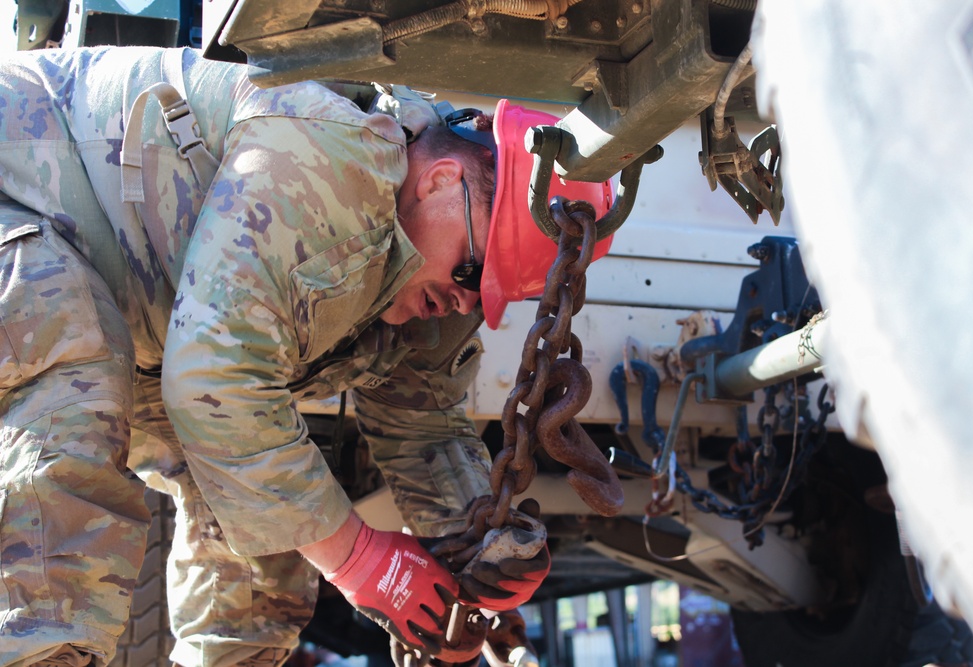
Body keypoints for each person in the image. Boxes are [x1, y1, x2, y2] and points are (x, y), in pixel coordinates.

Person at [0, 45, 613, 667]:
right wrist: (360, 559)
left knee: (268, 515)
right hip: (18, 201)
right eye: (474, 271)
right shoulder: (339, 158)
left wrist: (475, 538)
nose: (465, 302)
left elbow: (421, 423)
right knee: (73, 376)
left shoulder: (425, 283)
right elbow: (218, 377)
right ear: (441, 180)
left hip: (138, 305)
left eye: (486, 294)